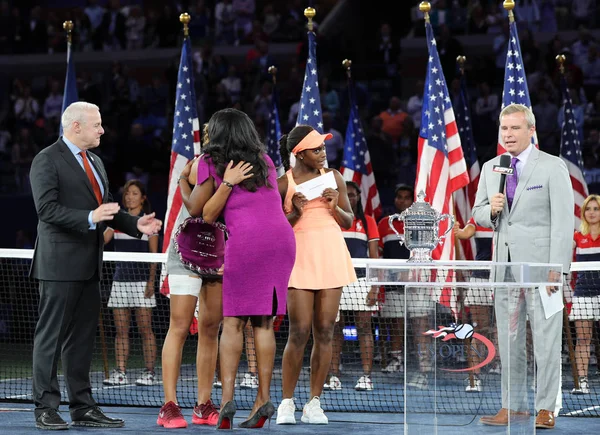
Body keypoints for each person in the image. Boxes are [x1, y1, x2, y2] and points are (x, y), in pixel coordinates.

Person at [29, 101, 162, 430]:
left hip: (90, 265)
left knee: (82, 340)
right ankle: (45, 408)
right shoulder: (46, 160)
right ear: (76, 127)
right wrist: (90, 218)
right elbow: (47, 210)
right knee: (51, 339)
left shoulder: (97, 163)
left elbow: (107, 210)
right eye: (96, 125)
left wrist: (135, 225)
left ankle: (82, 407)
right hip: (58, 265)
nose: (102, 130)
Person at [182, 108, 295, 429]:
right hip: (281, 241)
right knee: (263, 322)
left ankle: (227, 399)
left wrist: (227, 183)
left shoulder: (210, 161)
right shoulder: (266, 161)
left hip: (246, 242)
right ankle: (263, 399)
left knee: (232, 323)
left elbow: (205, 214)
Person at [473, 103, 574, 429]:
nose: (508, 134)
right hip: (504, 270)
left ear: (531, 131)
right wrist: (492, 210)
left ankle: (546, 408)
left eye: (515, 128)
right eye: (504, 129)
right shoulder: (492, 167)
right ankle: (512, 405)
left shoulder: (552, 166)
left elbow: (563, 223)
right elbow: (476, 214)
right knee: (508, 341)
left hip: (542, 269)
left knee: (546, 340)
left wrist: (557, 270)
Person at [276, 125, 357, 425]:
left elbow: (348, 220)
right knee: (298, 331)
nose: (323, 153)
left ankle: (314, 402)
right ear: (299, 153)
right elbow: (274, 228)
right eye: (316, 149)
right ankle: (287, 402)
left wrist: (335, 206)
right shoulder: (284, 182)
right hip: (299, 256)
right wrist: (295, 212)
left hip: (331, 254)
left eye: (323, 148)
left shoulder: (334, 177)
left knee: (325, 331)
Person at [156, 125, 224, 429]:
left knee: (210, 328)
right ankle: (169, 406)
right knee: (180, 326)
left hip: (218, 255)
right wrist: (186, 177)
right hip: (186, 252)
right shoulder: (202, 164)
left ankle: (203, 404)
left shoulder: (237, 167)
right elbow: (198, 209)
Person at [325, 181, 379, 392]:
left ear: (358, 197)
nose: (351, 197)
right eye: (346, 194)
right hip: (335, 280)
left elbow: (375, 258)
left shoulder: (368, 222)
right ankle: (333, 376)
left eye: (353, 194)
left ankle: (366, 376)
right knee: (334, 329)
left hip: (361, 281)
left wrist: (374, 287)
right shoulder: (332, 220)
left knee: (364, 329)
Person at [103, 180, 158, 387]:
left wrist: (151, 282)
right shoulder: (118, 222)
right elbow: (104, 240)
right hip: (120, 281)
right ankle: (121, 372)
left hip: (142, 281)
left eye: (134, 193)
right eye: (127, 193)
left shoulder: (150, 223)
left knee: (145, 330)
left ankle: (150, 372)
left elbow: (155, 255)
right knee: (121, 331)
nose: (129, 197)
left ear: (142, 197)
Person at [453, 216, 499, 393]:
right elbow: (465, 234)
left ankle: (506, 370)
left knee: (507, 329)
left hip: (506, 278)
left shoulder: (511, 215)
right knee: (480, 329)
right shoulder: (478, 218)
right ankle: (475, 376)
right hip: (480, 278)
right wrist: (457, 231)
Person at [377, 185, 413, 374]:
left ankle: (421, 362)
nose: (403, 201)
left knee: (419, 323)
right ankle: (395, 358)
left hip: (416, 283)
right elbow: (380, 255)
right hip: (391, 284)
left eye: (407, 198)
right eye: (399, 197)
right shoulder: (384, 223)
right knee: (393, 322)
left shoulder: (419, 222)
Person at [570, 194, 600, 395]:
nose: (592, 212)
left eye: (596, 209)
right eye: (588, 209)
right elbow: (562, 258)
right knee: (583, 339)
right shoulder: (576, 236)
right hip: (583, 294)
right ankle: (582, 381)